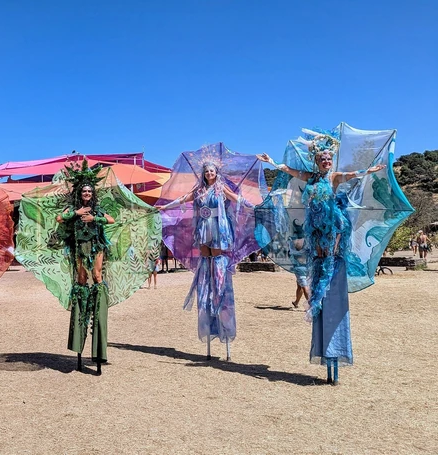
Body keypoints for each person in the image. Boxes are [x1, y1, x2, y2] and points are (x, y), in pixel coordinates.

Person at [259, 133, 385, 385]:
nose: (327, 161)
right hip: (314, 230)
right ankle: (317, 297)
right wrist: (272, 162)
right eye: (322, 158)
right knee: (317, 264)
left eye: (329, 158)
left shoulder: (334, 177)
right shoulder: (311, 177)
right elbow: (291, 171)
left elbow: (352, 175)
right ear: (316, 160)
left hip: (332, 227)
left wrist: (369, 170)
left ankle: (324, 289)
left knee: (328, 263)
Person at [161, 159, 254, 361]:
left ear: (216, 172)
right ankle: (208, 308)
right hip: (203, 233)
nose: (209, 173)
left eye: (212, 170)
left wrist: (253, 207)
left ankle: (223, 316)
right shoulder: (199, 191)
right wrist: (165, 206)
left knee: (219, 272)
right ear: (203, 174)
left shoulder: (221, 188)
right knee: (206, 271)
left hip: (219, 232)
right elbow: (184, 199)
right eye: (207, 171)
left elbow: (236, 198)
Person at [55, 162, 115, 375]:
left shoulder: (98, 209)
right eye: (84, 191)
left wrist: (93, 217)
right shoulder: (73, 207)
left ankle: (98, 304)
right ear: (79, 193)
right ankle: (81, 310)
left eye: (90, 191)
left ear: (93, 193)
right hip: (80, 248)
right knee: (81, 280)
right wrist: (77, 213)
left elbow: (111, 219)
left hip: (96, 247)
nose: (87, 193)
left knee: (97, 276)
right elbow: (60, 218)